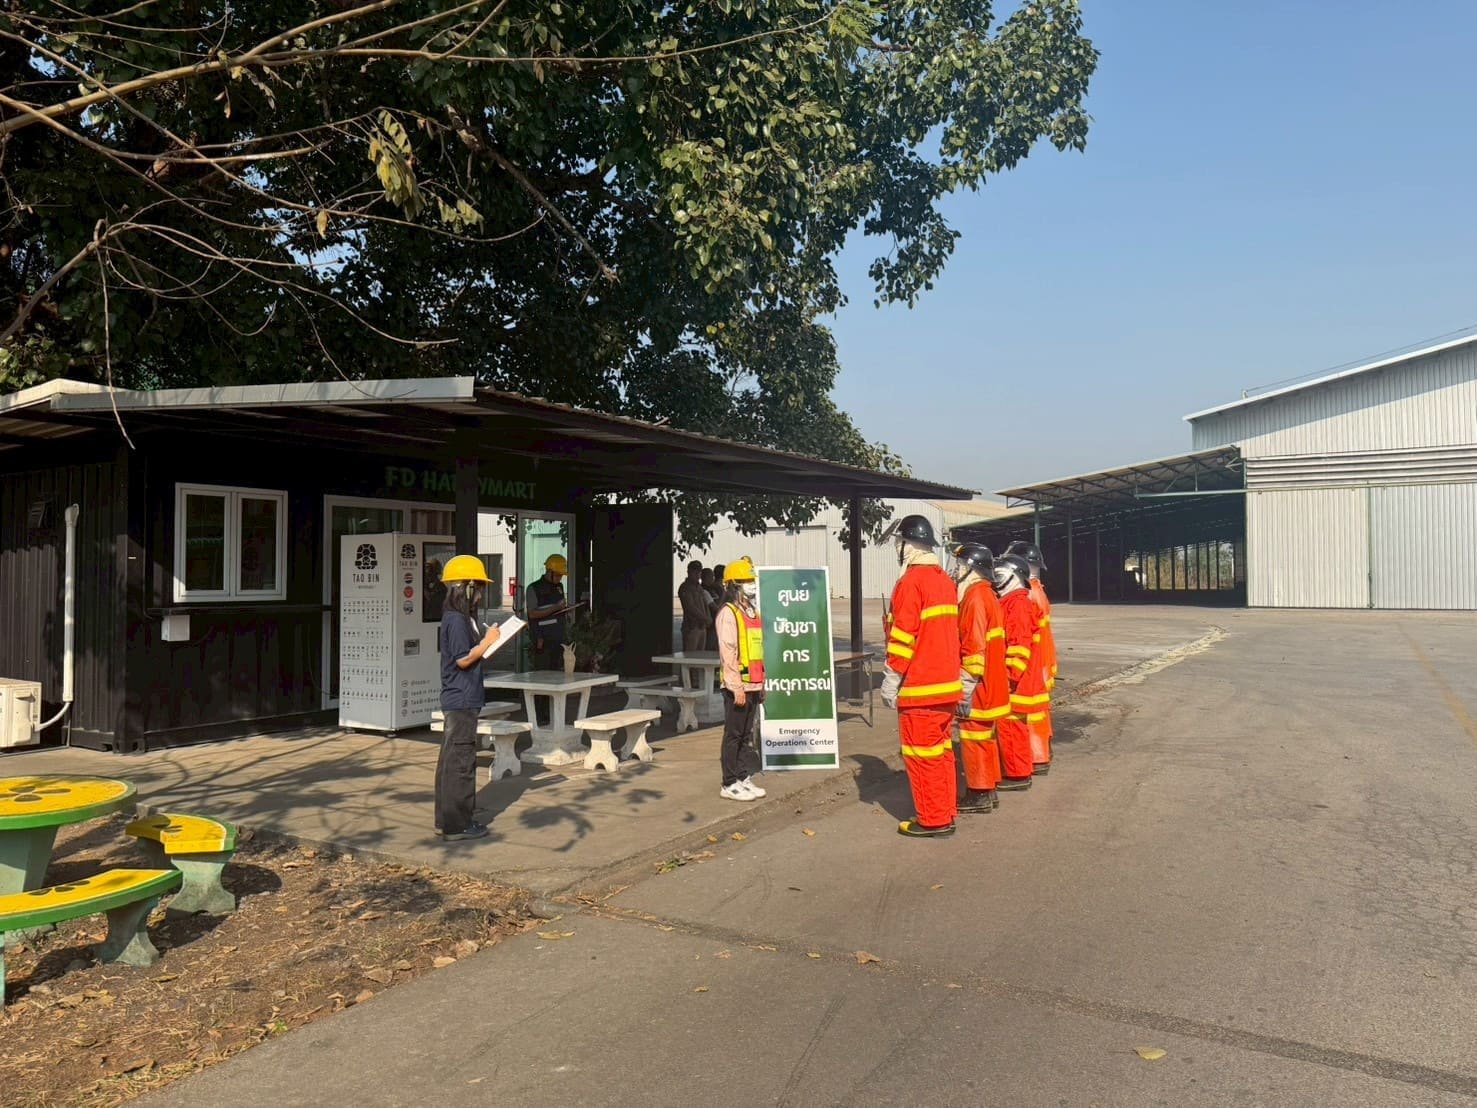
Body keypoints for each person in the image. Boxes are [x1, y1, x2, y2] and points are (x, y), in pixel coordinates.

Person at [880, 515, 962, 837]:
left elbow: (903, 637)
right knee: (941, 753)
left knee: (921, 755)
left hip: (921, 689)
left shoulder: (911, 583)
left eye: (898, 543)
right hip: (947, 687)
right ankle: (945, 811)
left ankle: (932, 820)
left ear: (906, 546)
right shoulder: (944, 581)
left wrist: (891, 679)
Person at [436, 555, 501, 841]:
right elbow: (463, 659)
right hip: (461, 697)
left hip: (462, 696)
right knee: (461, 762)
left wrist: (486, 642)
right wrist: (488, 641)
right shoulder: (456, 619)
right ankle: (457, 825)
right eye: (480, 587)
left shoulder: (462, 618)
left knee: (452, 760)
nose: (481, 595)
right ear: (467, 587)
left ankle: (448, 819)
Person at [952, 543, 1008, 814]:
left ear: (971, 569)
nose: (956, 572)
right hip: (991, 682)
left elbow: (974, 648)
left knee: (974, 739)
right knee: (986, 739)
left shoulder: (974, 597)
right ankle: (990, 789)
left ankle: (979, 793)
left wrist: (964, 690)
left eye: (959, 566)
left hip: (979, 686)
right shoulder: (987, 594)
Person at [714, 557, 766, 802]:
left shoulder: (753, 613)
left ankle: (743, 777)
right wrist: (736, 688)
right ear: (734, 585)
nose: (751, 584)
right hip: (738, 686)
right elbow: (728, 653)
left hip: (753, 683)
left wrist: (761, 683)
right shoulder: (729, 613)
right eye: (746, 580)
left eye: (752, 580)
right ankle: (729, 782)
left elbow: (758, 651)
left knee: (746, 735)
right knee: (734, 735)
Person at [994, 553, 1047, 791]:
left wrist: (1009, 677)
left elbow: (1019, 646)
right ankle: (1018, 770)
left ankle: (1018, 775)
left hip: (1017, 682)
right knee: (1013, 727)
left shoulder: (1017, 605)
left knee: (1011, 727)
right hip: (1020, 679)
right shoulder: (1013, 602)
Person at [1007, 540, 1057, 774]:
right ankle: (1042, 752)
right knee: (1038, 711)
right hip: (1041, 659)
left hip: (1031, 660)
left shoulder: (1028, 594)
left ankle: (1035, 757)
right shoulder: (1038, 590)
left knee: (1027, 712)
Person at [679, 559, 714, 668]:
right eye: (694, 571)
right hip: (691, 627)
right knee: (689, 658)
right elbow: (690, 607)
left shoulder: (699, 587)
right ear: (689, 572)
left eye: (699, 572)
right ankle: (686, 678)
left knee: (699, 659)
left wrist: (708, 617)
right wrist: (705, 618)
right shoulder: (685, 587)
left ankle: (696, 678)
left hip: (702, 627)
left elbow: (704, 603)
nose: (697, 574)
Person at [703, 566, 723, 649]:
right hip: (710, 623)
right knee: (709, 647)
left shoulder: (712, 589)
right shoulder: (704, 590)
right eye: (711, 576)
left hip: (715, 622)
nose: (713, 578)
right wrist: (723, 594)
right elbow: (715, 607)